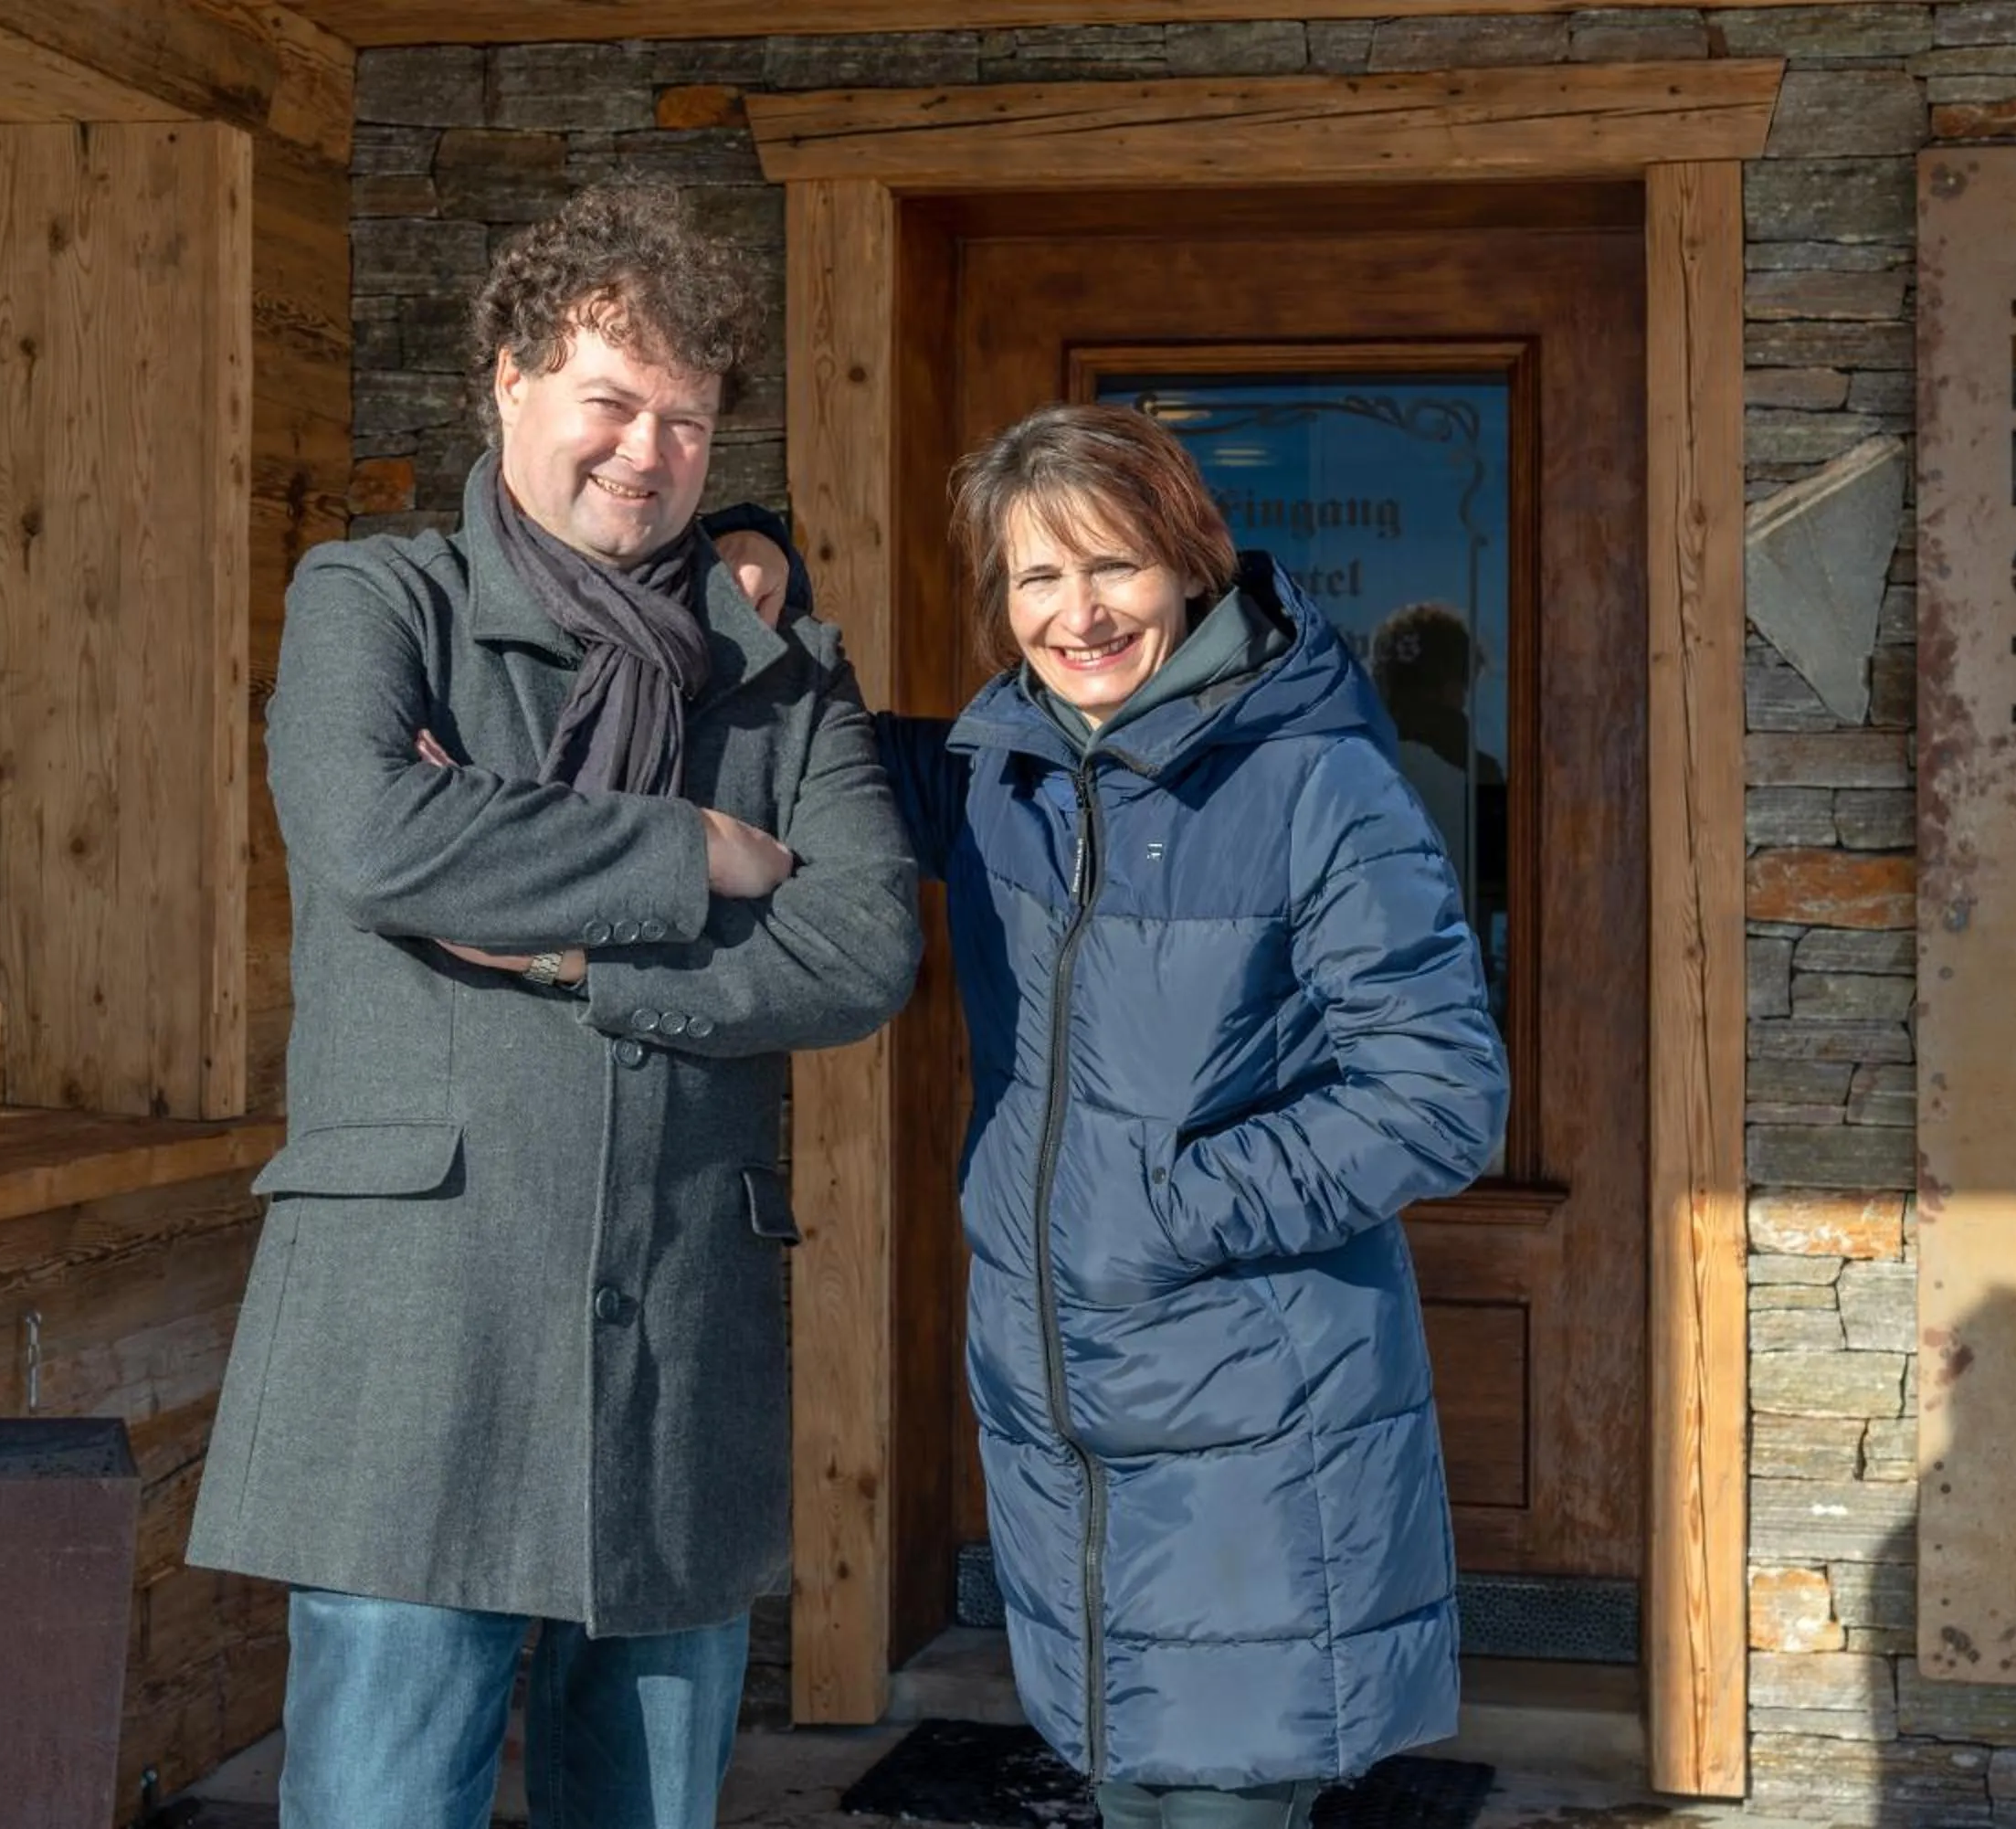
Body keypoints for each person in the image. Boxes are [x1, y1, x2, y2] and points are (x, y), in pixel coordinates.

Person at [188, 185, 921, 1829]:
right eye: (610, 400)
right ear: (507, 381)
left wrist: (566, 943)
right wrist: (692, 850)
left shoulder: (780, 674)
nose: (646, 451)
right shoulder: (376, 605)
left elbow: (863, 948)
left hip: (672, 1352)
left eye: (684, 416)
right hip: (411, 1348)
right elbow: (382, 838)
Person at [724, 403, 1504, 1827]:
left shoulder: (1313, 784)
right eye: (1037, 577)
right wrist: (762, 567)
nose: (1078, 613)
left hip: (1254, 1433)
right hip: (1063, 1437)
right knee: (1129, 1793)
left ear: (1189, 567)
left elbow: (1442, 1094)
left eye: (1113, 568)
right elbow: (814, 753)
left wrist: (1159, 1204)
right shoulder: (1000, 772)